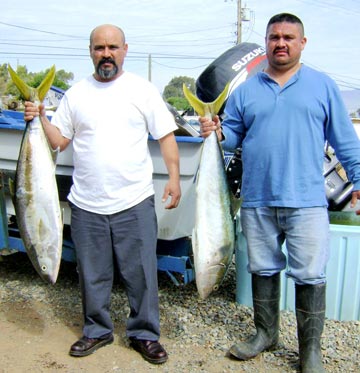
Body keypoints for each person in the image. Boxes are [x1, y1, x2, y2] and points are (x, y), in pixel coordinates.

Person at [199, 13, 360, 373]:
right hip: (257, 200)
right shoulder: (246, 90)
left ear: (303, 43)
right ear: (266, 42)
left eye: (289, 37)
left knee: (310, 275)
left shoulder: (322, 86)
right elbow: (233, 136)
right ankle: (265, 333)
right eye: (274, 37)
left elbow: (346, 143)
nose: (281, 43)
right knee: (263, 268)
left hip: (307, 202)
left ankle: (311, 352)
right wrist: (216, 131)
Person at [24, 24, 181, 365]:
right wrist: (38, 117)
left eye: (112, 47)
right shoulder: (77, 94)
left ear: (125, 49)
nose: (106, 54)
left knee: (141, 272)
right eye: (99, 48)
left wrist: (174, 178)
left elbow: (166, 136)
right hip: (86, 203)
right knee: (92, 273)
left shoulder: (142, 90)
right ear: (90, 51)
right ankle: (97, 330)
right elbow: (59, 141)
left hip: (134, 201)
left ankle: (144, 334)